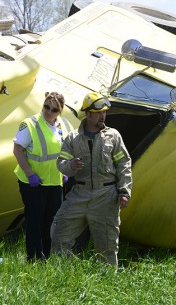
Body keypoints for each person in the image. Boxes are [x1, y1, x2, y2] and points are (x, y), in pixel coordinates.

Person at [51, 92, 132, 266]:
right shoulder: (73, 138)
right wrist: (70, 165)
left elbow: (124, 164)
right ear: (87, 114)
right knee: (59, 235)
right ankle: (62, 275)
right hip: (80, 193)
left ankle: (107, 280)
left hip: (106, 196)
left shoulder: (113, 136)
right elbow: (61, 163)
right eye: (99, 112)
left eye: (104, 112)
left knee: (107, 246)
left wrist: (124, 191)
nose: (103, 116)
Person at [13, 92, 67, 262]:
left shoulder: (60, 125)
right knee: (35, 222)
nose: (49, 111)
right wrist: (30, 174)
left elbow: (59, 151)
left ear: (60, 112)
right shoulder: (30, 124)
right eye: (46, 107)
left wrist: (64, 170)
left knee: (50, 222)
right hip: (34, 183)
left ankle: (46, 257)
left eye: (54, 109)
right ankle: (34, 259)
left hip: (54, 181)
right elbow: (17, 150)